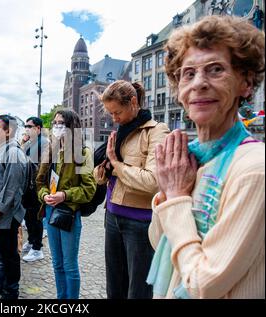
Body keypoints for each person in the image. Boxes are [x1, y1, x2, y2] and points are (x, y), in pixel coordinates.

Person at [147, 15, 265, 299]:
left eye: (215, 70)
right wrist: (168, 191)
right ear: (179, 91)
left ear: (245, 84)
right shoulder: (190, 160)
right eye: (188, 73)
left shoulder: (254, 169)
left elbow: (202, 285)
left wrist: (175, 196)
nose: (199, 83)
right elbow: (160, 241)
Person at [93, 80, 169, 299]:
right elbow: (99, 180)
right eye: (110, 114)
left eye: (117, 112)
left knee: (138, 291)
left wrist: (116, 165)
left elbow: (153, 181)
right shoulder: (119, 132)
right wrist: (106, 167)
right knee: (114, 287)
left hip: (140, 222)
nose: (114, 119)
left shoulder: (156, 131)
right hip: (113, 216)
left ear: (133, 102)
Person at [36, 109, 96, 299]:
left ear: (72, 127)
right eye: (54, 123)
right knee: (57, 264)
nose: (56, 127)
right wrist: (45, 195)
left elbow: (89, 189)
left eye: (61, 123)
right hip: (49, 209)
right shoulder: (50, 150)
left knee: (70, 266)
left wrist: (64, 195)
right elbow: (40, 182)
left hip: (68, 212)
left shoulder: (83, 152)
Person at [0, 115, 28, 299]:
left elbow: (13, 187)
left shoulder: (14, 152)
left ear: (8, 131)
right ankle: (2, 282)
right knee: (1, 251)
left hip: (7, 213)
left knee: (9, 254)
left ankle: (12, 290)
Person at [21, 116, 49, 262]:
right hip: (28, 185)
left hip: (36, 186)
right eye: (25, 126)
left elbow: (43, 166)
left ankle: (37, 248)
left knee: (35, 217)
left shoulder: (43, 142)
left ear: (38, 128)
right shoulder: (30, 142)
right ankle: (32, 241)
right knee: (28, 216)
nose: (26, 128)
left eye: (29, 126)